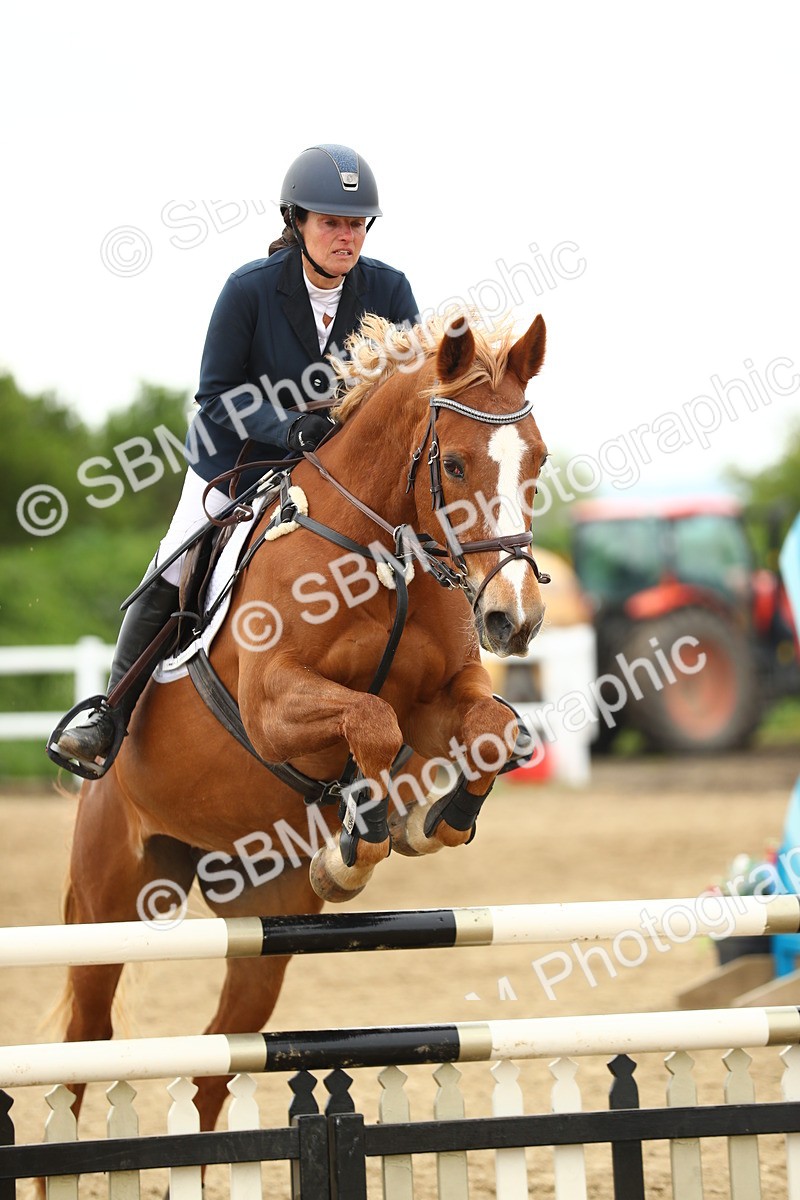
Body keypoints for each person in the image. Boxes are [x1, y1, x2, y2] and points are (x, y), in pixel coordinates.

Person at [50, 143, 419, 777]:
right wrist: (287, 429)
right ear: (296, 222)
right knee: (179, 556)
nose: (345, 236)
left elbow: (409, 392)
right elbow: (215, 395)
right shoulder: (249, 290)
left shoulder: (388, 288)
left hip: (339, 476)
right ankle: (109, 713)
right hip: (239, 464)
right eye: (331, 222)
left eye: (356, 223)